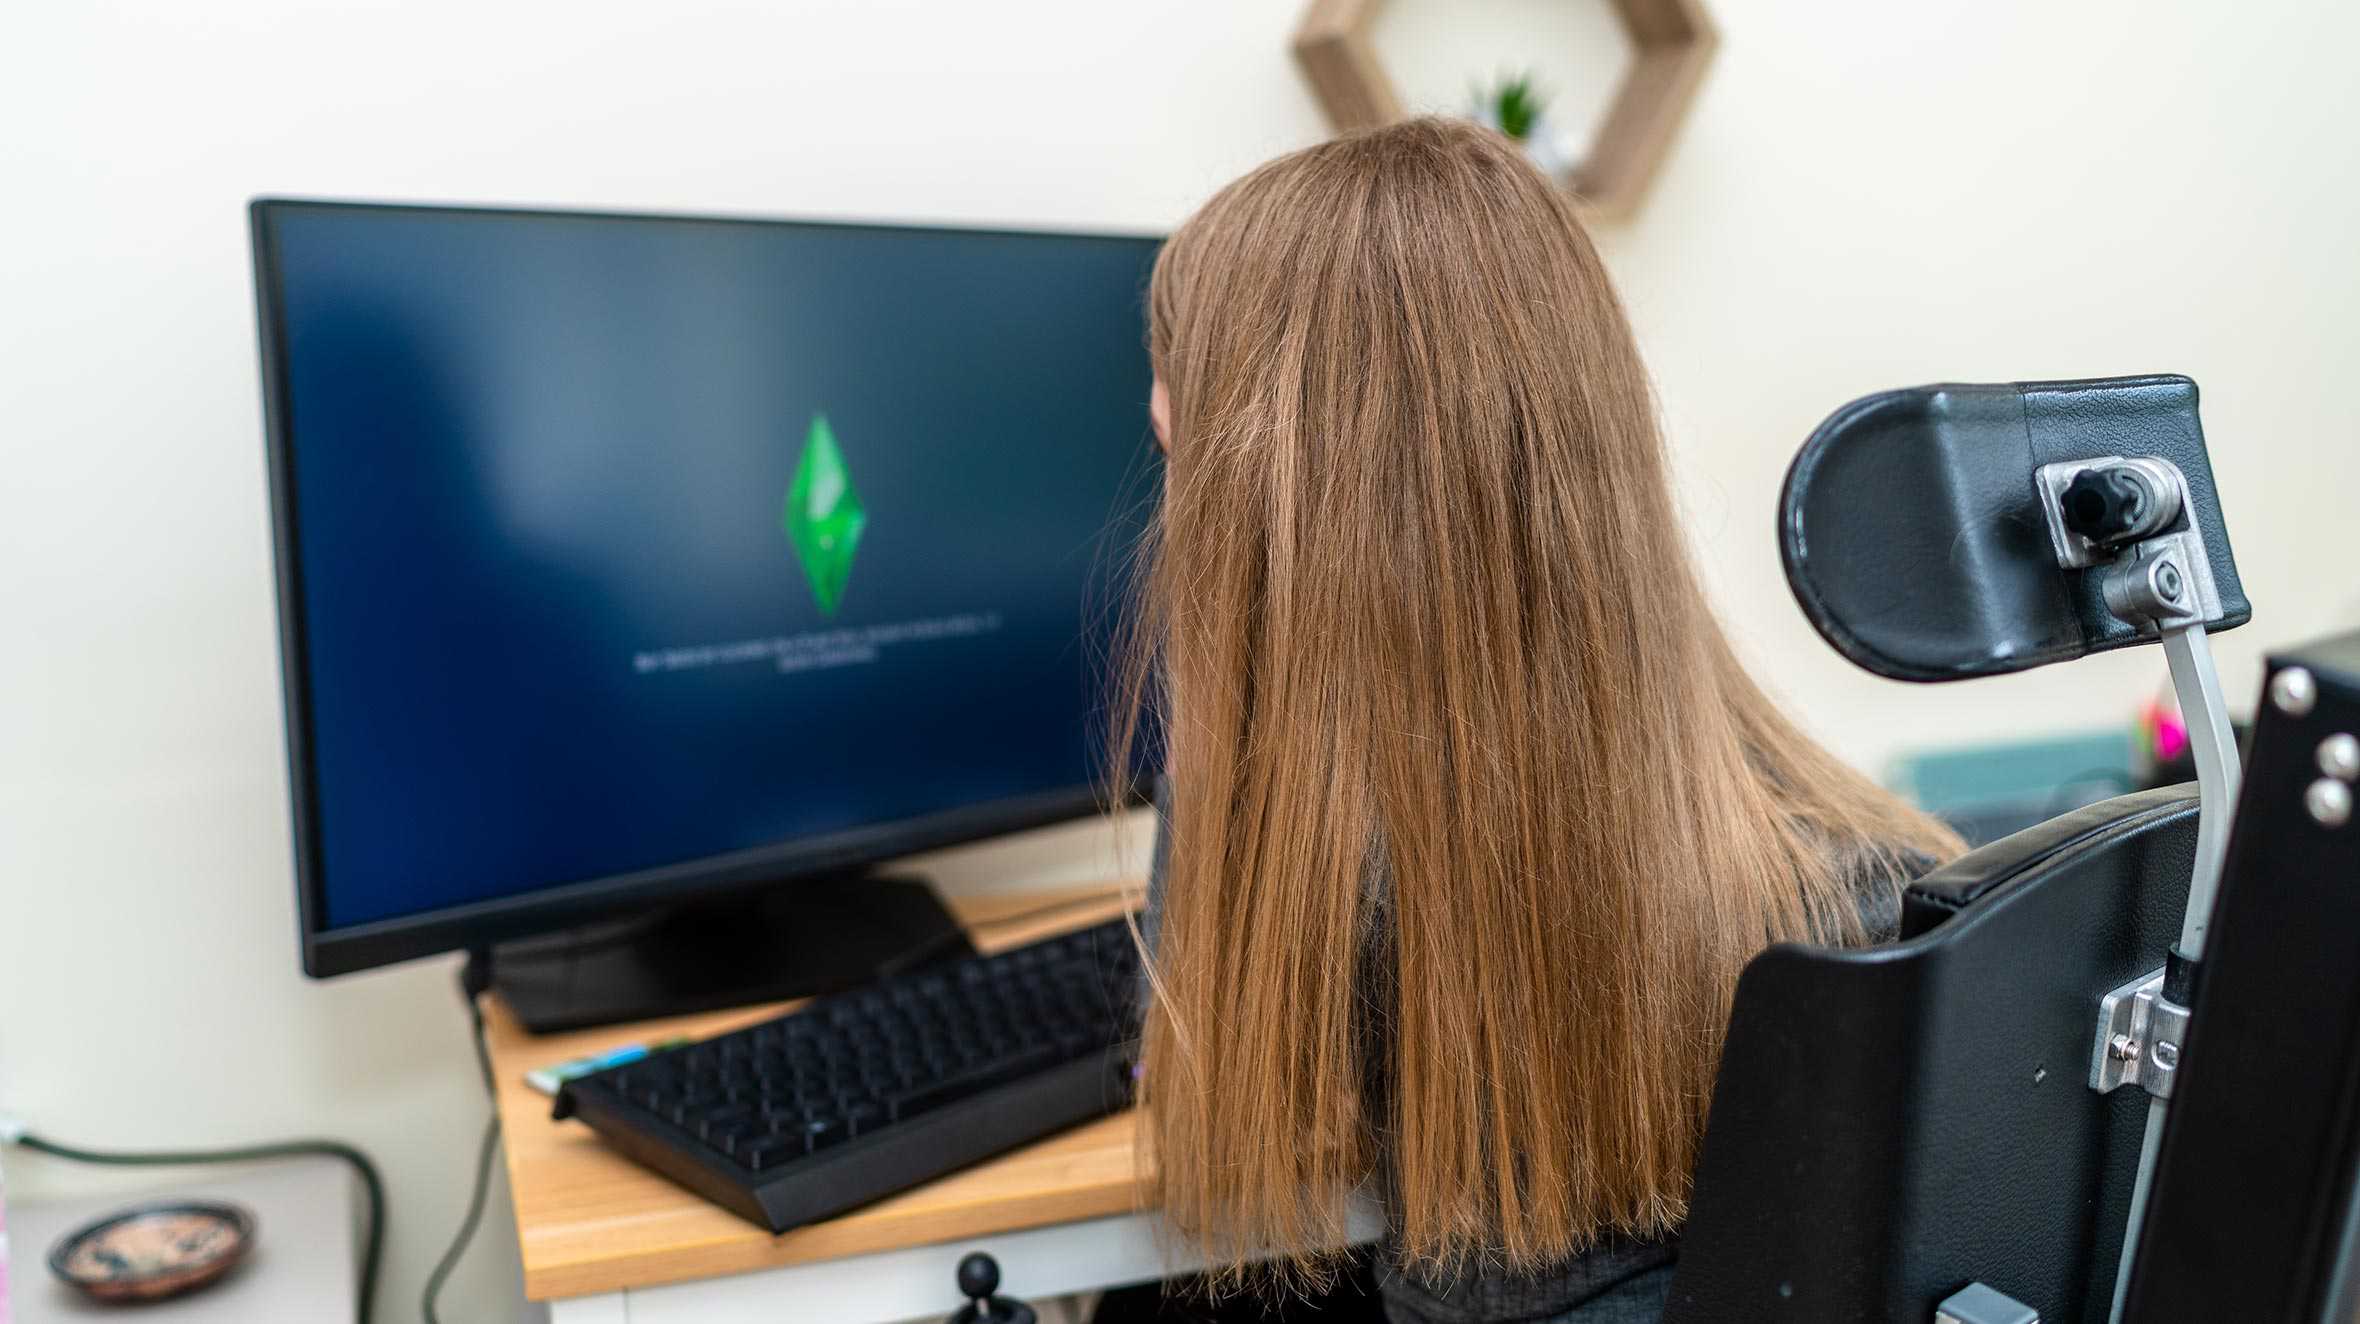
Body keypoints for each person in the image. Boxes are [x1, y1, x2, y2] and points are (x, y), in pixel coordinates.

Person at [1103, 117, 1963, 1324]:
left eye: (1173, 439)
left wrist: (1217, 725)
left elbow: (1219, 1124)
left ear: (1265, 508)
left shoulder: (1342, 897)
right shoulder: (1872, 889)